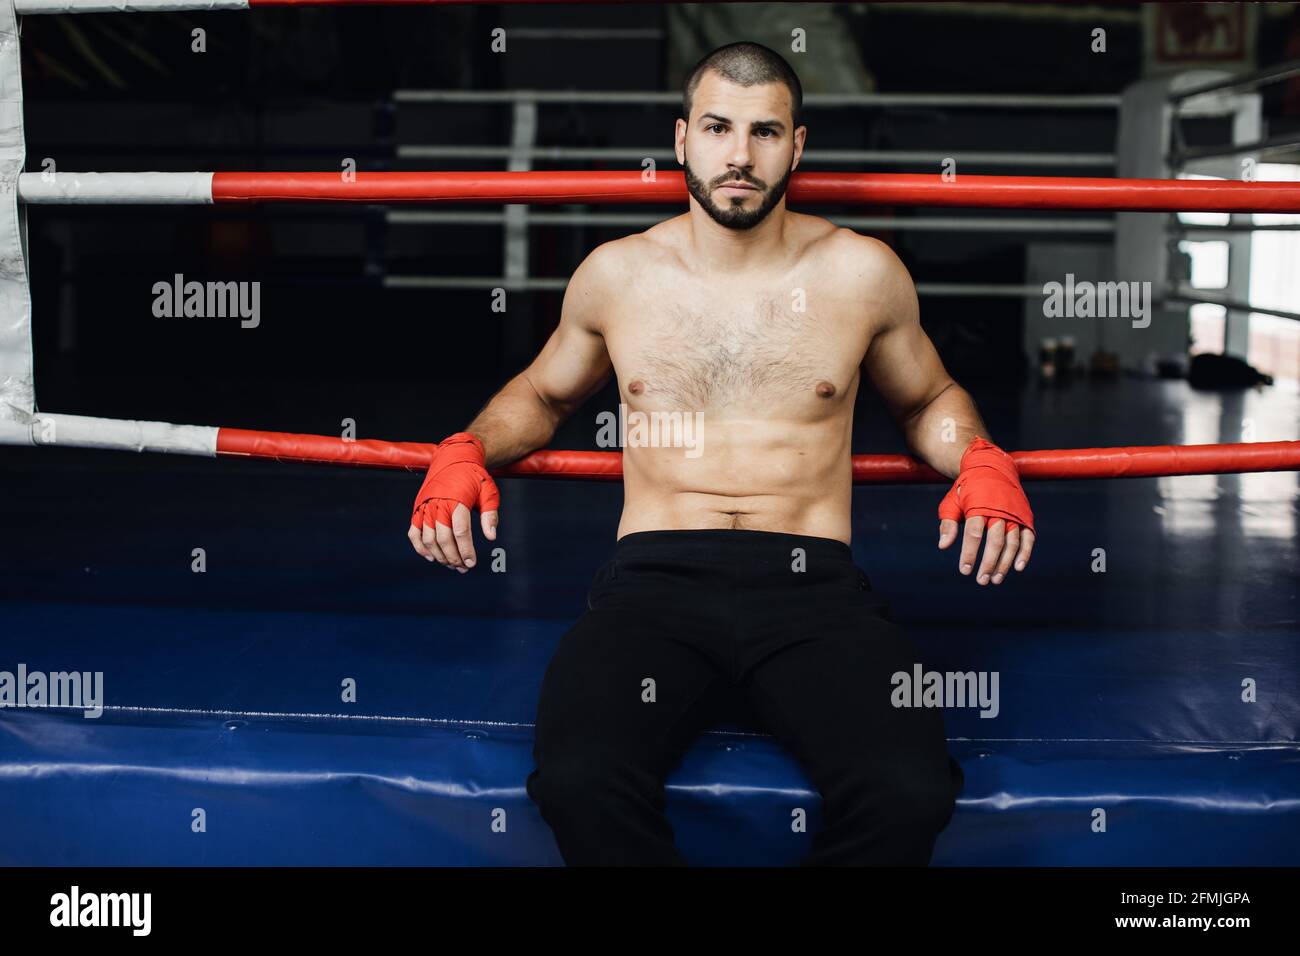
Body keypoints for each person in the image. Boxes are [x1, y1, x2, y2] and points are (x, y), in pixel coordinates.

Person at [407, 41, 1036, 865]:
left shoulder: (861, 271)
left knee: (908, 791)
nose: (740, 156)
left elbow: (926, 399)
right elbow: (543, 394)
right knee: (579, 780)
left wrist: (982, 460)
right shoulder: (618, 275)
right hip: (653, 585)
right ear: (681, 139)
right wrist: (465, 449)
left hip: (813, 588)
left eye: (766, 132)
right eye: (717, 127)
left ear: (797, 146)